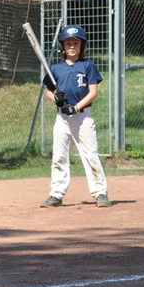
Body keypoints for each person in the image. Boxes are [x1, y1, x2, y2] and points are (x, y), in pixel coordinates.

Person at [40, 24, 111, 208]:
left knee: (90, 155)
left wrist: (76, 107)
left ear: (82, 46)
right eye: (68, 43)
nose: (72, 46)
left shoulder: (87, 65)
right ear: (62, 46)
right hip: (62, 119)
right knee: (59, 156)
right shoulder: (55, 69)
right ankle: (56, 194)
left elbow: (93, 92)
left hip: (82, 118)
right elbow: (47, 92)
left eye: (76, 43)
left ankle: (100, 193)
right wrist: (55, 98)